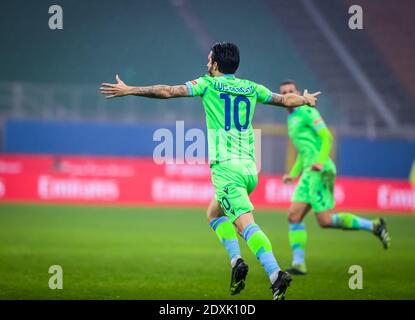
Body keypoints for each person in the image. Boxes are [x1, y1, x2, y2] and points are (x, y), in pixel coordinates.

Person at [100, 42, 320, 299]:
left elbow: (168, 91)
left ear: (215, 65)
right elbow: (284, 100)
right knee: (214, 213)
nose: (207, 64)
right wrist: (305, 99)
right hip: (250, 168)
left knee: (246, 225)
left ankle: (275, 274)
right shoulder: (251, 87)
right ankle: (237, 261)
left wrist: (131, 90)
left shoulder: (208, 84)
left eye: (209, 60)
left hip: (226, 169)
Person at [278, 80, 390, 276]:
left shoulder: (307, 111)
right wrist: (293, 174)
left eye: (291, 91)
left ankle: (373, 226)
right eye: (284, 93)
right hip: (307, 171)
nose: (288, 94)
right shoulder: (291, 118)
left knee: (324, 220)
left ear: (297, 93)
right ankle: (299, 264)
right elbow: (303, 151)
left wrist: (321, 161)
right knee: (294, 216)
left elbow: (326, 137)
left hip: (320, 170)